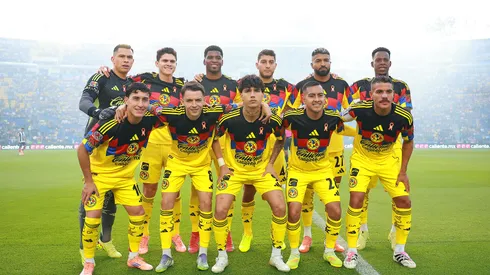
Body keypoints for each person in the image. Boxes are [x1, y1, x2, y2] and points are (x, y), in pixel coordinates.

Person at [97, 47, 188, 254]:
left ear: (175, 64)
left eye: (172, 61)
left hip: (174, 145)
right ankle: (145, 235)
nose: (168, 64)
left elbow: (196, 94)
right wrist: (106, 71)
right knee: (149, 190)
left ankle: (175, 233)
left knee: (174, 193)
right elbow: (120, 81)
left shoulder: (181, 85)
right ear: (157, 63)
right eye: (164, 60)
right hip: (151, 145)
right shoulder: (145, 79)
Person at [211, 74, 290, 273]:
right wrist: (222, 165)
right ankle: (221, 255)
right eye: (248, 91)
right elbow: (214, 139)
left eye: (257, 91)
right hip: (235, 171)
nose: (253, 95)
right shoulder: (229, 118)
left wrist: (271, 163)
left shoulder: (272, 119)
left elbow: (281, 140)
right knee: (220, 210)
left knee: (280, 207)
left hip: (261, 171)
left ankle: (276, 255)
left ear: (263, 95)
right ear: (241, 95)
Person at [78, 82, 158, 275]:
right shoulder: (110, 124)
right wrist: (88, 181)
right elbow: (82, 149)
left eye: (144, 100)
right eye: (135, 99)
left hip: (125, 178)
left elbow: (173, 112)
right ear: (126, 101)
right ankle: (88, 263)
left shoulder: (151, 120)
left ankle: (134, 258)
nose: (140, 104)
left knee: (138, 214)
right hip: (100, 177)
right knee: (93, 218)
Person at [269, 81, 345, 270]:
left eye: (320, 96)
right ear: (303, 98)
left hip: (323, 171)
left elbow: (349, 127)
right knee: (293, 212)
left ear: (325, 98)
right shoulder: (292, 117)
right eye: (312, 96)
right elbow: (279, 137)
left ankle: (329, 251)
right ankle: (294, 253)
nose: (317, 99)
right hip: (298, 172)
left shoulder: (333, 117)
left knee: (335, 210)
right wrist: (270, 163)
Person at [341, 76, 416, 269]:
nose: (384, 95)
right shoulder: (359, 110)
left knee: (404, 201)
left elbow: (408, 142)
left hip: (388, 161)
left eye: (388, 92)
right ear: (371, 94)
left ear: (393, 94)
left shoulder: (404, 116)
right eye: (379, 92)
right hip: (363, 160)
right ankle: (351, 251)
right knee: (356, 199)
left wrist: (403, 171)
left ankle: (399, 250)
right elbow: (338, 118)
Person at [291, 47, 354, 253]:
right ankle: (307, 235)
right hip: (306, 150)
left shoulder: (341, 84)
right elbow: (290, 111)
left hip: (334, 148)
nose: (322, 63)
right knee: (306, 194)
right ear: (312, 65)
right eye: (318, 60)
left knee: (332, 193)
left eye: (326, 60)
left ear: (330, 62)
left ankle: (331, 237)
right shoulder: (302, 86)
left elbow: (352, 111)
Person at [349, 47, 413, 250]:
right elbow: (347, 107)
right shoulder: (359, 85)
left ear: (390, 63)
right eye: (378, 60)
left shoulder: (401, 86)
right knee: (361, 193)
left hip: (391, 147)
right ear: (372, 64)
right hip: (364, 148)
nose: (382, 63)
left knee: (398, 194)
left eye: (385, 60)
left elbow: (403, 114)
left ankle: (396, 230)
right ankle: (362, 230)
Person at [77, 44, 134, 264]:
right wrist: (99, 112)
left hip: (120, 145)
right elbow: (83, 102)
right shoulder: (102, 77)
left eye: (130, 57)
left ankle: (106, 240)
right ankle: (85, 247)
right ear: (113, 59)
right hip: (96, 143)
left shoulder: (132, 83)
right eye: (122, 56)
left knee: (112, 196)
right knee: (90, 195)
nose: (126, 60)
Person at [235, 49, 295, 253]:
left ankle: (276, 236)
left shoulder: (286, 87)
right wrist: (263, 104)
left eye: (271, 62)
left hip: (275, 149)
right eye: (263, 61)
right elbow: (235, 105)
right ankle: (247, 232)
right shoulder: (244, 83)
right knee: (248, 191)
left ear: (275, 65)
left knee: (278, 195)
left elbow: (300, 101)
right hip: (251, 150)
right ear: (257, 64)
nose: (267, 65)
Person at [193, 45, 239, 252]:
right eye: (210, 57)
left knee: (226, 188)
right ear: (204, 61)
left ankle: (225, 232)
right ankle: (196, 234)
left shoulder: (231, 84)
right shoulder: (196, 83)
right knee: (198, 191)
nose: (214, 60)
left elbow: (241, 107)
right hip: (201, 142)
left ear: (222, 60)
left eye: (217, 57)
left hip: (226, 142)